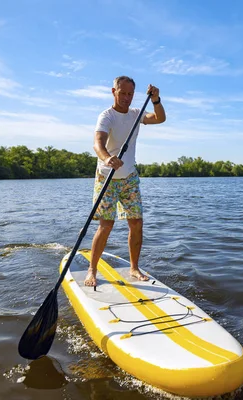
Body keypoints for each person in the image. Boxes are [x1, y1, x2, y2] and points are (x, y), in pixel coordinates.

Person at [84, 76, 166, 287]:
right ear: (114, 92)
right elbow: (97, 143)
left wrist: (156, 100)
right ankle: (92, 269)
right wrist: (107, 157)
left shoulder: (136, 114)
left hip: (129, 177)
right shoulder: (106, 116)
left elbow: (160, 119)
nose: (127, 98)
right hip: (107, 177)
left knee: (137, 223)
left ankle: (134, 268)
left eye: (130, 94)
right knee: (106, 225)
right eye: (123, 93)